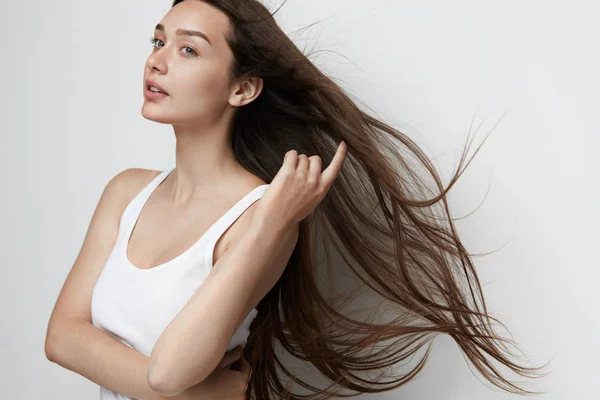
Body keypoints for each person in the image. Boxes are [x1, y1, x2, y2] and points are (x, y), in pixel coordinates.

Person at [45, 1, 551, 399]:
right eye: (158, 40)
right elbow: (61, 338)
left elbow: (168, 371)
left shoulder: (260, 217)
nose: (155, 59)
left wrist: (272, 223)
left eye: (188, 50)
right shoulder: (126, 191)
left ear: (242, 89)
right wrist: (190, 395)